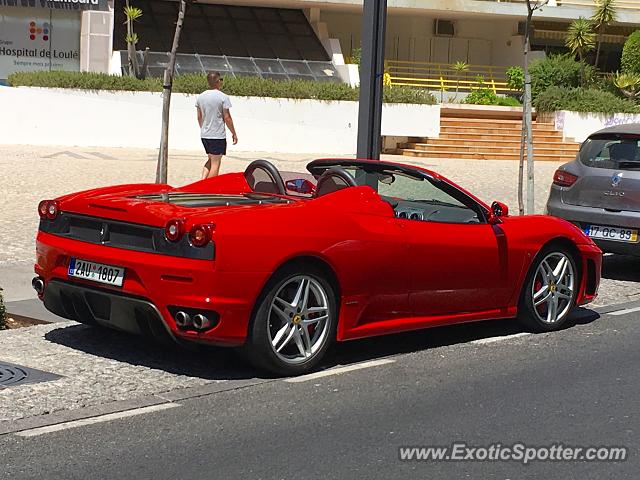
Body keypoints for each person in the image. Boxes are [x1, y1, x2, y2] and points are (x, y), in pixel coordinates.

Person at [195, 72, 238, 179]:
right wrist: (234, 133)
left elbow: (199, 117)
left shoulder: (201, 97)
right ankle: (208, 188)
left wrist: (204, 128)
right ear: (218, 81)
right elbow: (227, 117)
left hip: (205, 134)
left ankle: (203, 182)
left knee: (210, 160)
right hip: (217, 135)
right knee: (216, 163)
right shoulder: (223, 97)